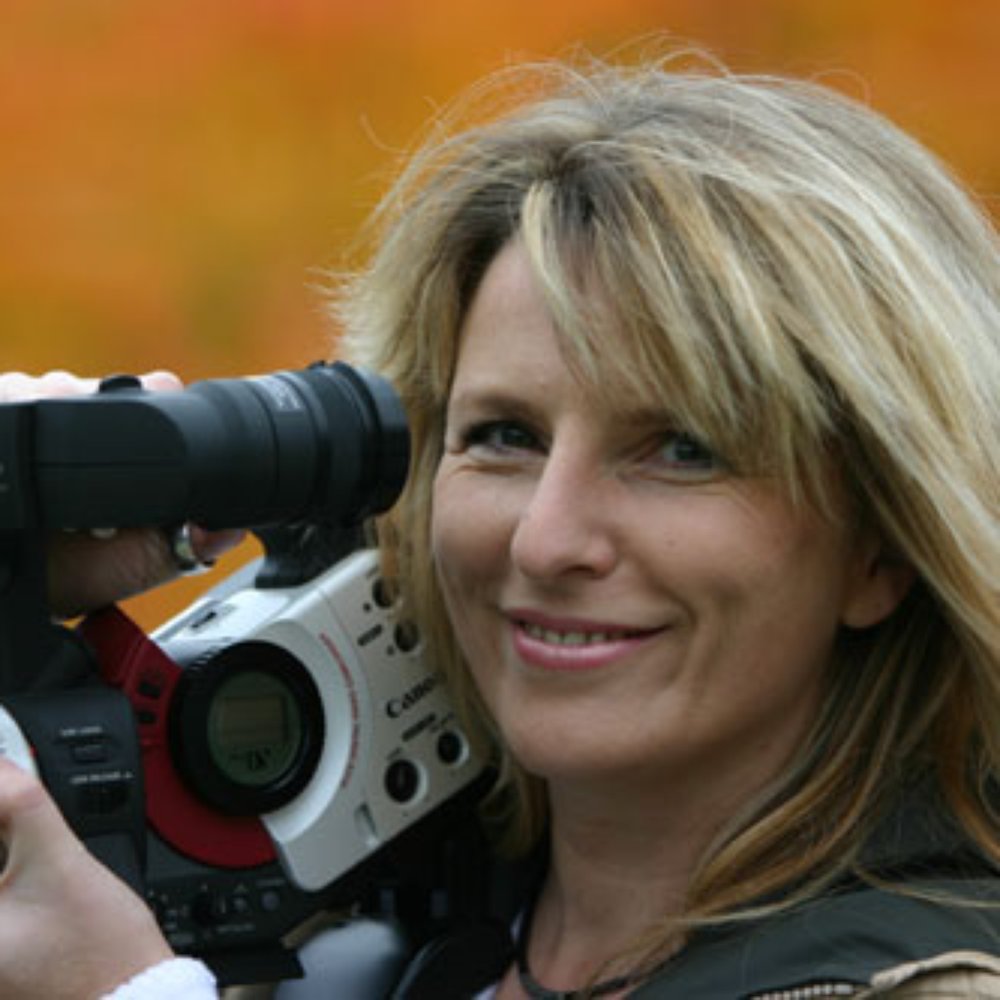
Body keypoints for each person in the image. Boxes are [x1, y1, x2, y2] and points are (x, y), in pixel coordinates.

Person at [1, 51, 999, 998]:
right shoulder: (339, 936)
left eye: (682, 450)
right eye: (505, 435)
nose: (544, 540)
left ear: (880, 550)